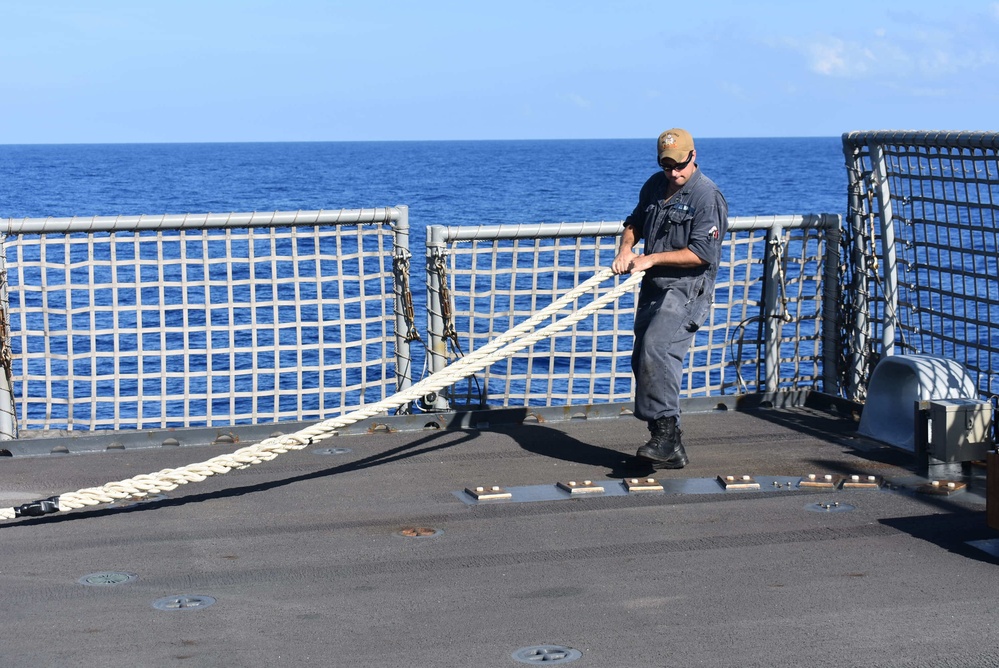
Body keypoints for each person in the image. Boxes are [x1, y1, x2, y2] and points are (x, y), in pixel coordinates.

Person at [611, 128, 728, 469]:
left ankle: (664, 437)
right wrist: (626, 249)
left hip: (687, 289)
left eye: (680, 166)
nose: (674, 174)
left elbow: (702, 254)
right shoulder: (654, 185)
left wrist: (650, 259)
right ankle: (669, 441)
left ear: (693, 157)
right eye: (667, 168)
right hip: (654, 288)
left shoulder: (708, 197)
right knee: (643, 358)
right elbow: (635, 221)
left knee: (657, 348)